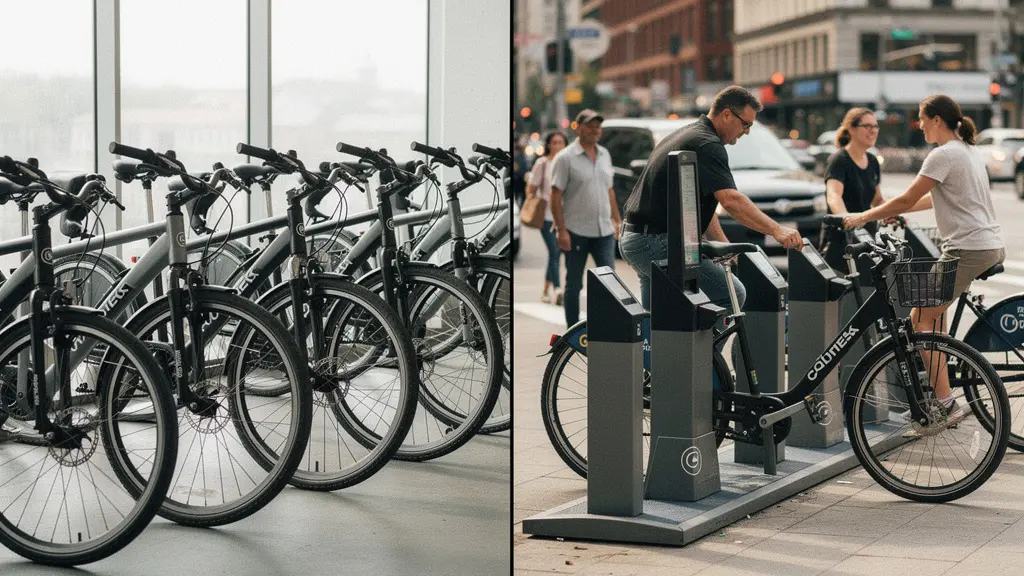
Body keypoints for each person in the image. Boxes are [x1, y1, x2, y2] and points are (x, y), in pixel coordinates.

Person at [842, 94, 1005, 434]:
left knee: (920, 322)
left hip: (966, 249)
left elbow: (906, 196)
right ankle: (935, 399)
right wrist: (896, 213)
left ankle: (945, 403)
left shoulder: (942, 154)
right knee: (933, 322)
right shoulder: (967, 151)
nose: (918, 125)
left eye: (921, 118)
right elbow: (934, 197)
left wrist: (863, 217)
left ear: (936, 120)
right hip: (986, 245)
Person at [619, 85, 803, 311]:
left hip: (638, 237)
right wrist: (778, 231)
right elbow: (731, 200)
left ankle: (660, 346)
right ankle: (706, 348)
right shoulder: (708, 144)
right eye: (746, 124)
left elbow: (698, 206)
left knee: (657, 319)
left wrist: (724, 246)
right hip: (656, 240)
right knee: (732, 293)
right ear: (727, 114)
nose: (746, 132)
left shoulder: (690, 133)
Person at [550, 109, 622, 327]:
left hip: (604, 231)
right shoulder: (565, 158)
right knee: (574, 284)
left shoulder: (605, 155)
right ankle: (572, 329)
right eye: (590, 125)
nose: (595, 130)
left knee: (610, 281)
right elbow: (555, 195)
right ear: (578, 127)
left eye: (598, 126)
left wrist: (617, 220)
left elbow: (609, 190)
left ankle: (609, 326)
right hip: (575, 231)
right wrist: (561, 230)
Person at [820, 108, 885, 270]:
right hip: (841, 237)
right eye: (868, 126)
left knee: (867, 287)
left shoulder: (872, 161)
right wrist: (846, 219)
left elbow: (877, 199)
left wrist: (893, 213)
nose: (873, 130)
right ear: (852, 129)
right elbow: (834, 195)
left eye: (876, 126)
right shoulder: (840, 160)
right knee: (841, 290)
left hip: (865, 236)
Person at [525, 131, 568, 305]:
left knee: (556, 254)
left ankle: (545, 289)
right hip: (548, 217)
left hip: (566, 217)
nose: (557, 146)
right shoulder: (542, 164)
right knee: (554, 251)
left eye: (561, 142)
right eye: (554, 142)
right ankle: (557, 290)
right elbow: (531, 189)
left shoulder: (568, 163)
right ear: (548, 145)